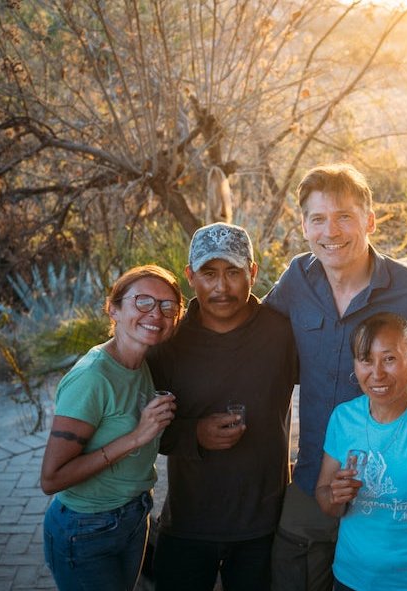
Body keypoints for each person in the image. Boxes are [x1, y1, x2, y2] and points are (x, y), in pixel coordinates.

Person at [263, 163, 407, 591]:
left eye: (344, 217)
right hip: (318, 480)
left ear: (369, 221)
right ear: (304, 227)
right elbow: (256, 340)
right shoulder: (299, 278)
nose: (331, 232)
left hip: (395, 503)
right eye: (318, 219)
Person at [147, 222, 298, 590]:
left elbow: (331, 385)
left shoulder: (282, 333)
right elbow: (142, 430)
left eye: (233, 272)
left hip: (263, 524)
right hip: (188, 521)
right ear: (190, 276)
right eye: (209, 273)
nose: (221, 287)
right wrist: (194, 432)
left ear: (253, 273)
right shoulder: (168, 340)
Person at [41, 264, 182, 591]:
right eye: (143, 301)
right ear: (113, 309)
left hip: (133, 516)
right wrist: (136, 437)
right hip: (86, 528)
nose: (156, 313)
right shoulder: (92, 377)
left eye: (167, 306)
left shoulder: (140, 363)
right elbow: (51, 478)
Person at [315, 312, 407, 591]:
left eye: (389, 359)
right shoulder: (343, 418)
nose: (377, 373)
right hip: (350, 577)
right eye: (366, 360)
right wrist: (335, 495)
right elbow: (325, 499)